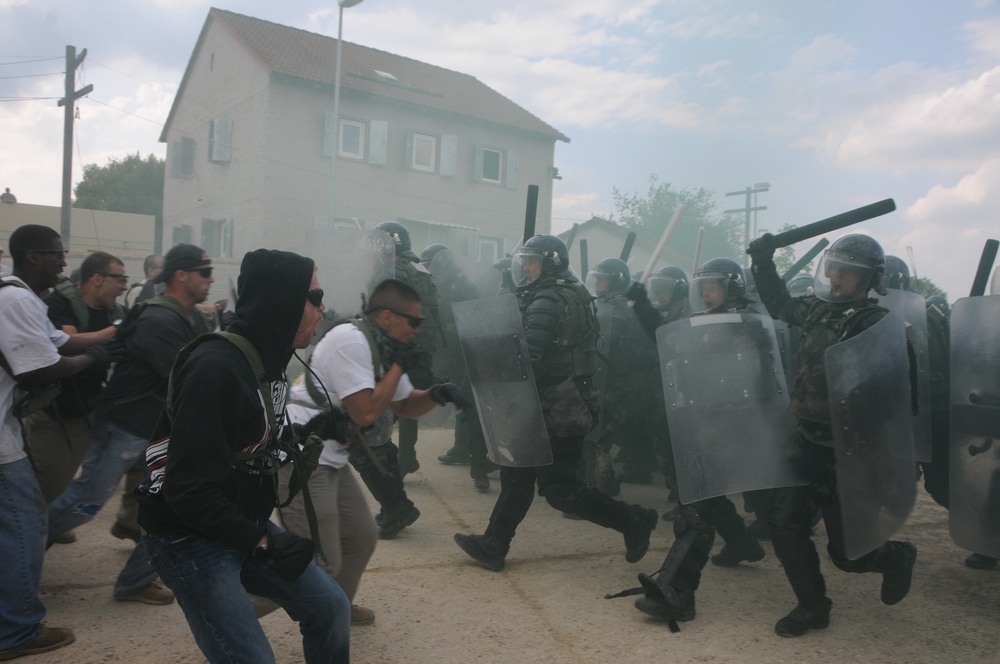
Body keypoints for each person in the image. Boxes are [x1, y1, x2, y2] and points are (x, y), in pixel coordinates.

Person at [138, 248, 351, 663]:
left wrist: (315, 428)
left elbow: (251, 440)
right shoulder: (215, 368)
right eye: (315, 297)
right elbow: (189, 489)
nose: (323, 309)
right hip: (187, 538)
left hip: (235, 524)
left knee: (332, 608)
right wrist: (264, 539)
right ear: (282, 302)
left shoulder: (268, 359)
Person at [454, 235, 658, 572]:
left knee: (560, 489)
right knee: (517, 475)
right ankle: (494, 544)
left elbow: (530, 356)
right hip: (544, 401)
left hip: (557, 405)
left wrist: (491, 367)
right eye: (526, 261)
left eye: (534, 262)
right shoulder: (562, 293)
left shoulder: (548, 298)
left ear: (551, 263)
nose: (527, 268)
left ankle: (634, 519)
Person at [749, 233, 918, 637]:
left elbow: (898, 397)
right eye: (835, 268)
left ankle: (896, 558)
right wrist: (763, 263)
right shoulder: (816, 310)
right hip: (807, 439)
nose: (838, 277)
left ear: (869, 279)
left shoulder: (877, 326)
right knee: (786, 526)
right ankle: (812, 606)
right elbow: (777, 303)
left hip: (849, 451)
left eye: (849, 272)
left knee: (850, 555)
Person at [279, 278, 468, 626]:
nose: (417, 329)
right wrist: (399, 367)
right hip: (300, 456)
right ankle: (234, 616)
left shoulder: (384, 346)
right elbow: (364, 412)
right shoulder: (351, 341)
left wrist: (439, 394)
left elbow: (405, 405)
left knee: (361, 538)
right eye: (413, 322)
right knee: (317, 559)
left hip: (329, 455)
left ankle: (336, 607)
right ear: (386, 317)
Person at [46, 243, 216, 605]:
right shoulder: (160, 319)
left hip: (153, 428)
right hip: (126, 425)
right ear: (181, 275)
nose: (210, 279)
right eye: (204, 272)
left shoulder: (191, 317)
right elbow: (185, 377)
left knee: (167, 509)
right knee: (86, 501)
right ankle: (19, 551)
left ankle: (136, 580)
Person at [0, 224, 118, 661]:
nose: (64, 262)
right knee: (26, 523)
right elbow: (39, 369)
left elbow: (58, 341)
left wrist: (108, 341)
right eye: (56, 254)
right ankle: (15, 631)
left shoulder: (21, 298)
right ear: (31, 256)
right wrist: (91, 360)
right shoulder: (13, 298)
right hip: (2, 439)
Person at [631, 258, 767, 625]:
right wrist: (642, 304)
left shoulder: (747, 324)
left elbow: (752, 384)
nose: (705, 294)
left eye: (713, 287)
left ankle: (677, 592)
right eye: (702, 287)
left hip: (728, 428)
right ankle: (742, 543)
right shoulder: (707, 320)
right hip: (701, 421)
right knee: (706, 497)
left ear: (732, 288)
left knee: (695, 509)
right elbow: (670, 340)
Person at [27, 251, 126, 503]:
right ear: (97, 279)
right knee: (35, 487)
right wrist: (116, 330)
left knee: (60, 484)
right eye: (120, 279)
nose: (124, 286)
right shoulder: (59, 304)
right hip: (53, 412)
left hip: (86, 412)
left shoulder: (114, 310)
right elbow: (71, 342)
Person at [583, 258, 658, 494]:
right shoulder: (610, 306)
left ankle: (600, 488)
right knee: (630, 431)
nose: (597, 283)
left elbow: (617, 351)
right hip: (625, 382)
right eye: (596, 278)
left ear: (616, 282)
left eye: (603, 279)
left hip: (627, 384)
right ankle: (638, 469)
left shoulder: (619, 311)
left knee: (597, 433)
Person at [374, 221, 443, 476]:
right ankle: (406, 458)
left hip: (398, 348)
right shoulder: (420, 269)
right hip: (421, 349)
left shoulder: (393, 271)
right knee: (407, 404)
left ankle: (392, 464)